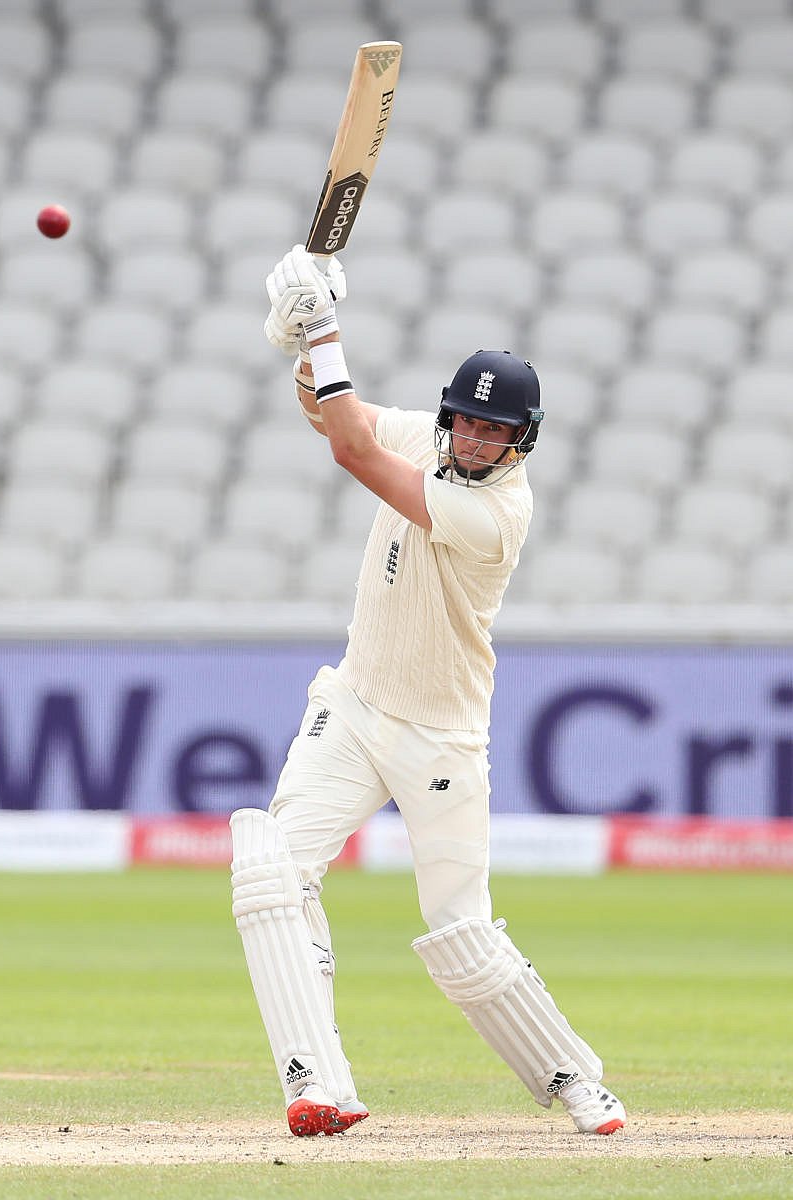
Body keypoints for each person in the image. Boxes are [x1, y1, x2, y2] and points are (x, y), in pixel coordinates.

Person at [229, 244, 626, 1139]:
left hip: (441, 735)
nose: (479, 443)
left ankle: (572, 1078)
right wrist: (298, 341)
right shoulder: (427, 435)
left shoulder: (499, 513)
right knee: (270, 871)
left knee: (460, 933)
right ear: (450, 417)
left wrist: (328, 330)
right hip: (356, 705)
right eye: (469, 425)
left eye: (499, 434)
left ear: (521, 443)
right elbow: (338, 419)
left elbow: (356, 457)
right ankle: (315, 1084)